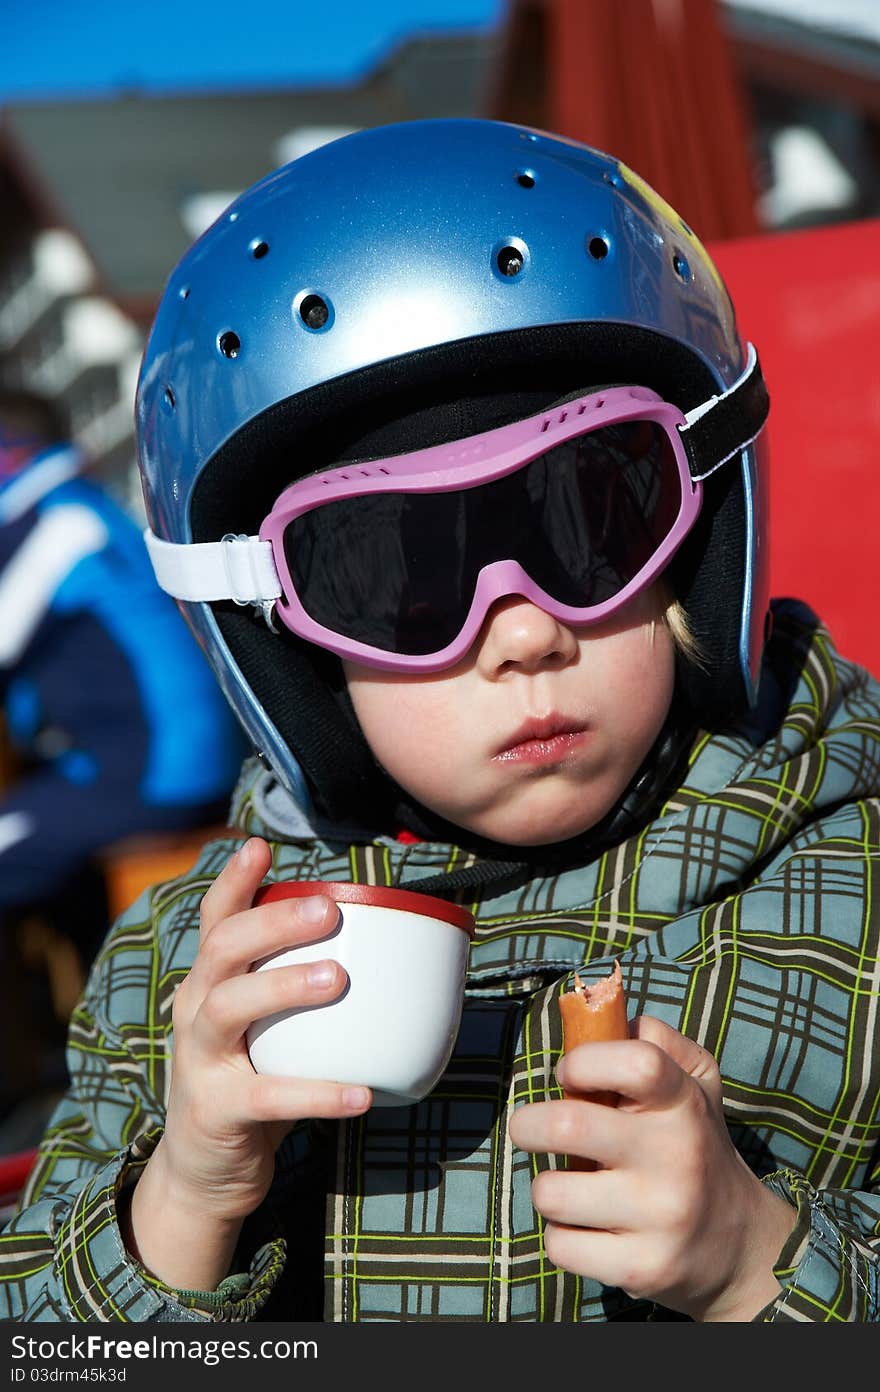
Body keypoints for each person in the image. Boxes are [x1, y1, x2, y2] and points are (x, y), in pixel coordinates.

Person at [0, 118, 877, 1323]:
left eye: (587, 519)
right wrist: (184, 1198)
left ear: (703, 535)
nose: (520, 633)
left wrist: (755, 1264)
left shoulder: (860, 899)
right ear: (278, 643)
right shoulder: (192, 979)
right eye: (399, 577)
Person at [0, 387, 246, 1115]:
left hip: (152, 773)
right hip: (128, 768)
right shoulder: (76, 511)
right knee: (44, 854)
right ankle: (69, 1053)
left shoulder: (58, 524)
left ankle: (30, 1086)